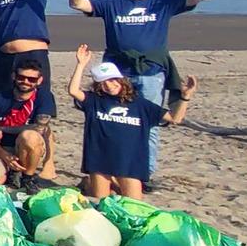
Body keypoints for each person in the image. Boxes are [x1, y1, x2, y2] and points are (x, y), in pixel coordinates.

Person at [69, 0, 237, 182]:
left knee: (148, 124)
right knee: (111, 121)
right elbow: (77, 2)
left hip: (150, 73)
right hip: (116, 76)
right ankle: (112, 171)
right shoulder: (112, 4)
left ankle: (143, 175)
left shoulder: (162, 2)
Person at [68, 44, 191, 199]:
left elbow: (175, 118)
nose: (109, 85)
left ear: (121, 80)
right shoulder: (95, 101)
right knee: (102, 203)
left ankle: (108, 184)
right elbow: (73, 91)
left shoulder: (140, 104)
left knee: (134, 205)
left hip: (130, 163)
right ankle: (90, 184)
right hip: (100, 159)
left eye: (113, 80)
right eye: (103, 82)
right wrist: (80, 65)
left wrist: (185, 97)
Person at [0, 54, 57, 189]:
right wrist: (4, 154)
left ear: (39, 80)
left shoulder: (44, 97)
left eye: (31, 79)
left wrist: (3, 129)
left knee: (29, 136)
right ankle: (10, 174)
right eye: (21, 77)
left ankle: (27, 177)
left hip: (31, 146)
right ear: (14, 76)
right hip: (2, 146)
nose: (25, 81)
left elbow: (40, 128)